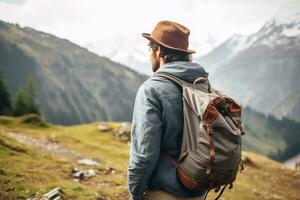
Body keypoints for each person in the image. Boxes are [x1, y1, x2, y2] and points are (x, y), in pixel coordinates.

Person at [128, 20, 209, 200]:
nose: (150, 54)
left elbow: (144, 155)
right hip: (198, 190)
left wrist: (135, 192)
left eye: (150, 49)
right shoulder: (201, 84)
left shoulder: (151, 89)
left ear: (158, 50)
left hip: (164, 192)